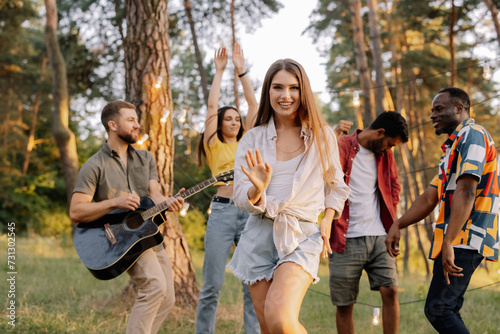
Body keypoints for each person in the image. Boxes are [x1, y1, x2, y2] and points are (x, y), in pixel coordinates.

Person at [227, 58, 350, 333]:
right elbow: (238, 195)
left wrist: (328, 218)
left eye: (293, 88)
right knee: (269, 327)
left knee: (281, 318)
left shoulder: (323, 137)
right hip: (258, 235)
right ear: (267, 92)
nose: (286, 96)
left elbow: (337, 186)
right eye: (278, 87)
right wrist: (257, 189)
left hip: (302, 232)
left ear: (303, 91)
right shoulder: (253, 139)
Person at [385, 87, 499, 333]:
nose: (432, 115)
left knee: (439, 309)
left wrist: (450, 241)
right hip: (458, 238)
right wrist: (398, 224)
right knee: (448, 308)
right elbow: (430, 197)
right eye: (432, 110)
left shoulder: (473, 134)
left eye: (439, 109)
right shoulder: (453, 147)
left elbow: (467, 190)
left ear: (460, 108)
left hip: (465, 238)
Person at [69, 101, 185, 334]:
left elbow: (154, 193)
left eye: (136, 119)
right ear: (112, 125)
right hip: (118, 239)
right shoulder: (94, 165)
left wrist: (169, 202)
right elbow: (76, 211)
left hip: (148, 234)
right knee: (154, 286)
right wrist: (114, 202)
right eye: (130, 120)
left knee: (167, 298)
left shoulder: (146, 159)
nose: (137, 124)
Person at [195, 42, 260, 334]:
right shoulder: (214, 145)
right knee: (212, 286)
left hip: (249, 213)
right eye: (228, 118)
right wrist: (220, 71)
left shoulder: (249, 143)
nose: (234, 122)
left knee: (251, 284)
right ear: (219, 123)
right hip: (221, 213)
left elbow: (254, 106)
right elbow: (211, 106)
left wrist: (241, 70)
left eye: (237, 119)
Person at [329, 112, 409, 334]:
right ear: (380, 133)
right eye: (389, 144)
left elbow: (394, 185)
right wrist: (331, 137)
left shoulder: (385, 155)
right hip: (345, 237)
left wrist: (392, 223)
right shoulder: (341, 144)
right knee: (345, 304)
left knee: (391, 291)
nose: (389, 150)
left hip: (379, 236)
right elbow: (323, 174)